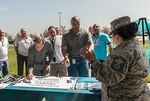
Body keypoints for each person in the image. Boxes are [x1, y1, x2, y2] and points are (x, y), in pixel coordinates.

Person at [81, 16, 150, 101]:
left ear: (117, 36)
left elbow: (109, 78)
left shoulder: (123, 52)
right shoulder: (137, 46)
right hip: (138, 94)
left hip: (123, 97)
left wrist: (92, 60)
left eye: (112, 35)